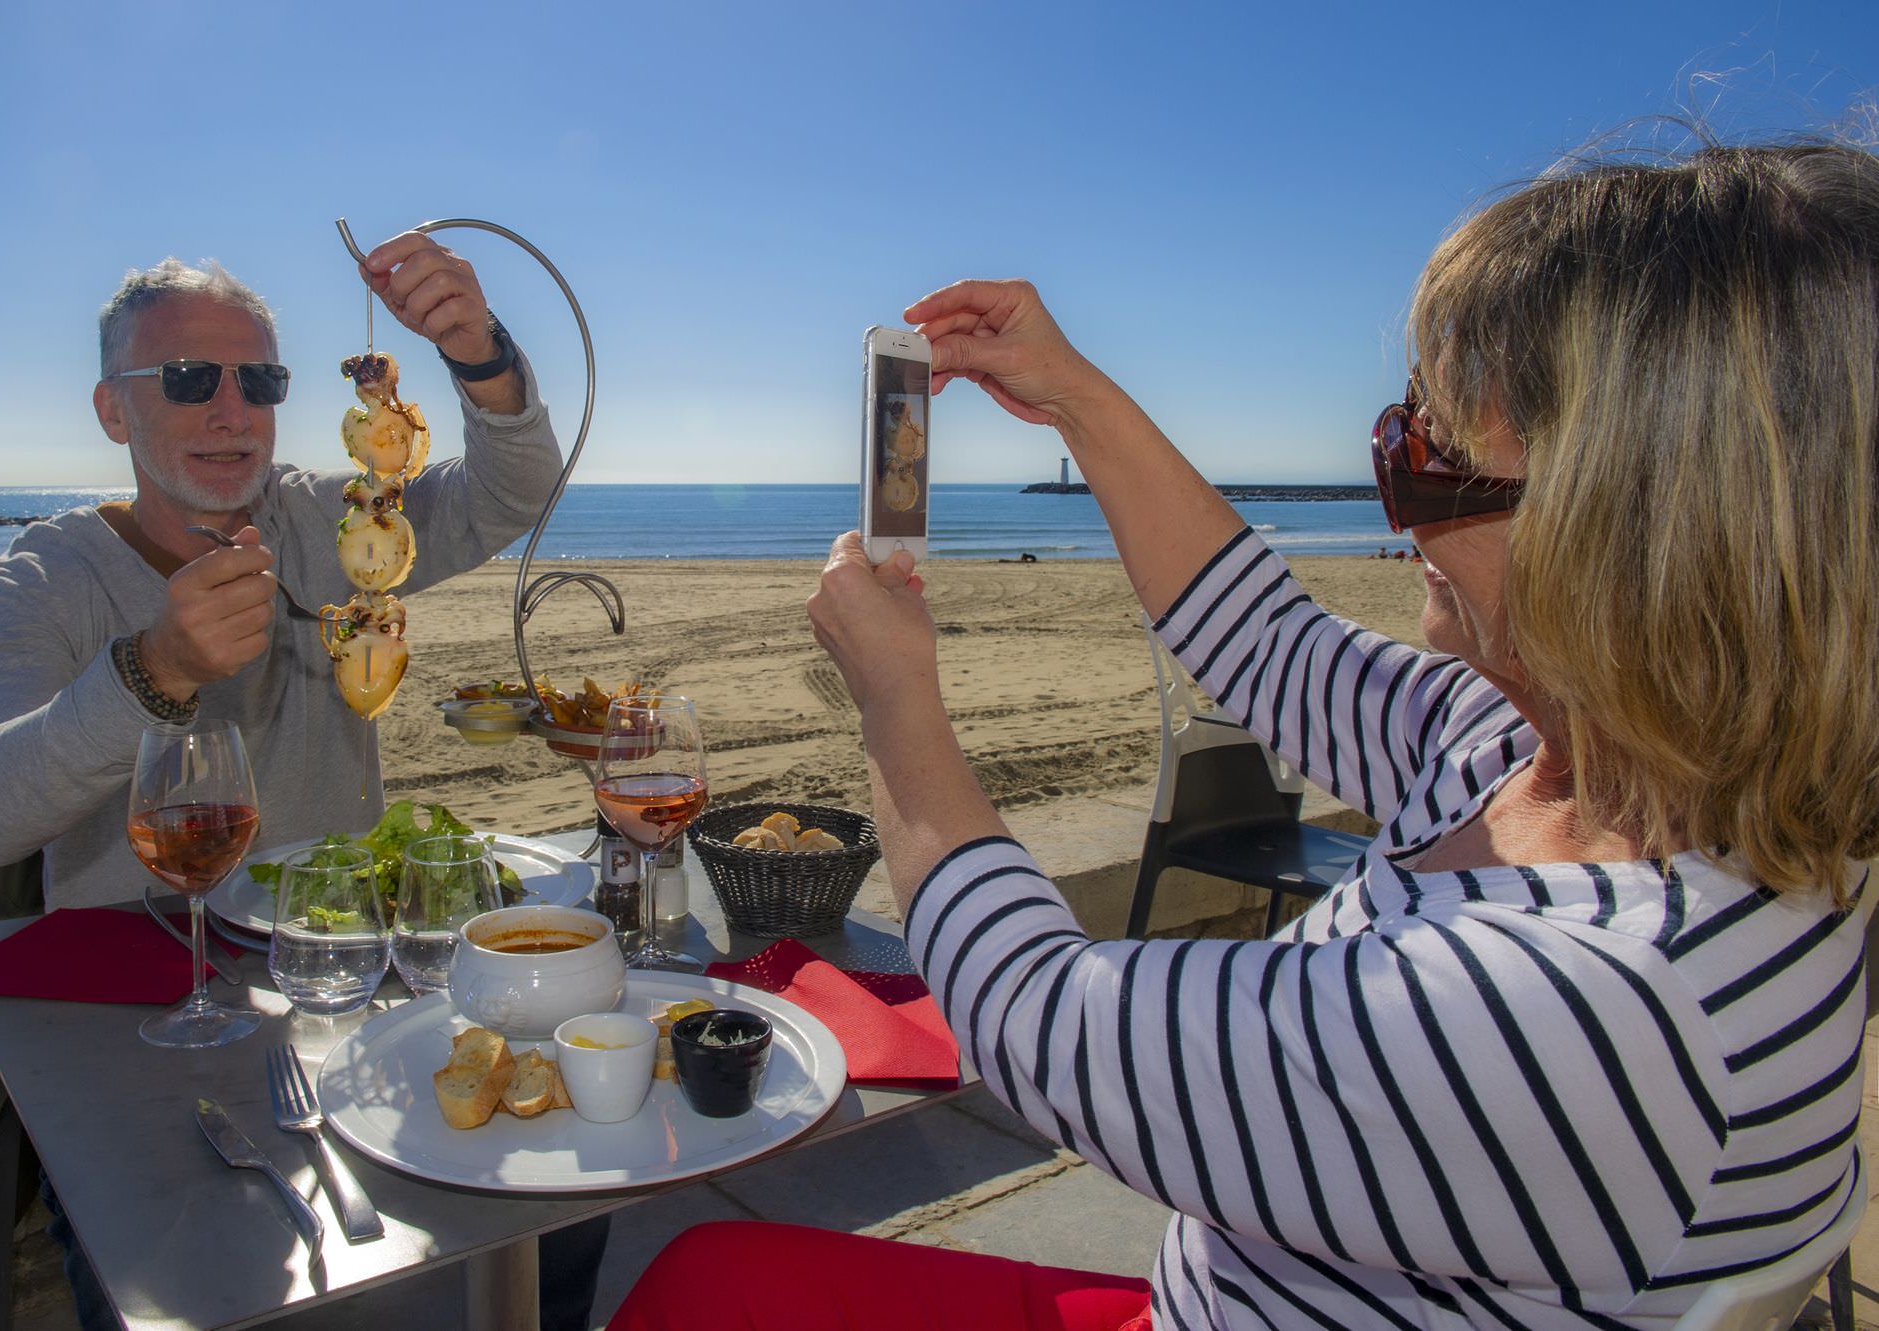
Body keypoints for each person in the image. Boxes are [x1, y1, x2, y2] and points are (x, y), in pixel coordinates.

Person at [612, 142, 1879, 1329]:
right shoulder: (1559, 758)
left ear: (1641, 536)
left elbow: (1036, 1017)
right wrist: (1073, 395)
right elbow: (1266, 640)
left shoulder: (1596, 1003)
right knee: (706, 1270)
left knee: (696, 1285)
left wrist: (897, 705)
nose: (1396, 514)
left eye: (1431, 462)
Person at [0, 244, 607, 1329]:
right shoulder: (49, 574)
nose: (231, 409)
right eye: (190, 380)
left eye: (260, 380)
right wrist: (150, 670)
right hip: (146, 1003)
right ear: (115, 411)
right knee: (177, 1279)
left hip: (347, 965)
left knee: (564, 1216)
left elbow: (512, 490)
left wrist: (475, 352)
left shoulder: (332, 523)